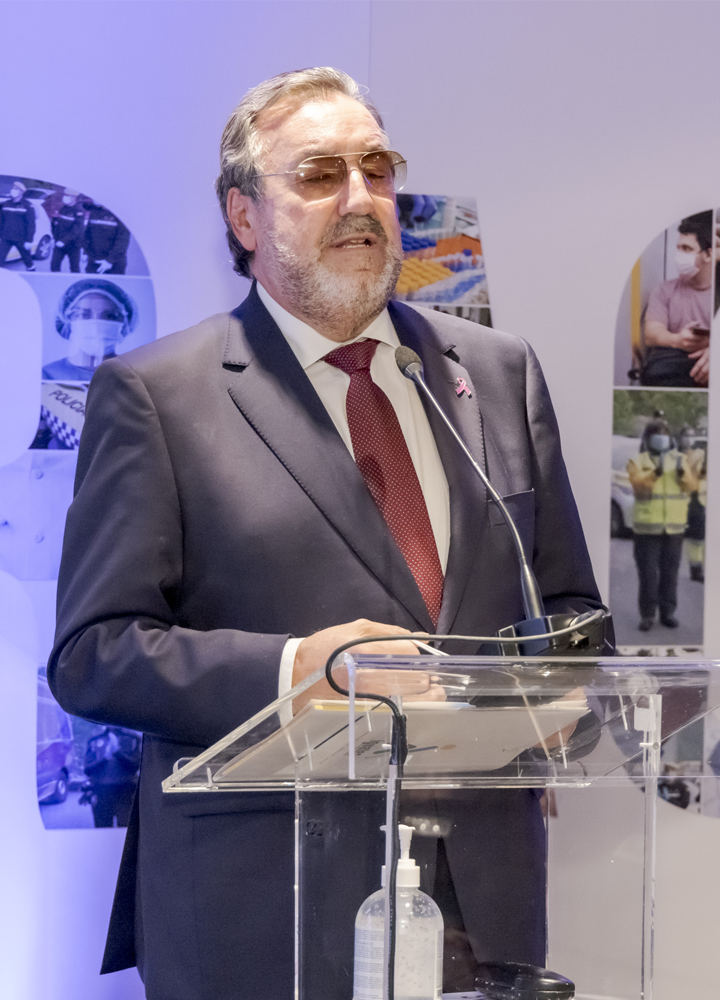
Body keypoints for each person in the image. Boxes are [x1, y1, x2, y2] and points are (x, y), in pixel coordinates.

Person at [48, 68, 609, 999]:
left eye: (377, 170)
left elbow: (569, 606)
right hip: (262, 907)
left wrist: (555, 701)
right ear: (244, 217)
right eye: (318, 175)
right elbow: (93, 654)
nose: (361, 199)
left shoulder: (495, 371)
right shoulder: (159, 396)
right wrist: (300, 668)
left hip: (483, 900)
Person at [627, 416, 698, 631]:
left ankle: (667, 613)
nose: (662, 438)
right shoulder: (637, 460)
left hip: (674, 529)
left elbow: (691, 486)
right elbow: (639, 485)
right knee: (648, 576)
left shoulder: (679, 459)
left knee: (670, 575)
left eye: (665, 434)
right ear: (649, 438)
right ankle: (647, 615)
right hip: (646, 529)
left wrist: (683, 473)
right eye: (657, 434)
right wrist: (656, 472)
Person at [641, 211, 713, 387]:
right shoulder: (664, 290)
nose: (679, 256)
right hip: (677, 371)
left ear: (708, 254)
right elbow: (651, 334)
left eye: (687, 249)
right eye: (678, 248)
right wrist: (677, 340)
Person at [42, 278, 137, 381]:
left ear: (124, 322)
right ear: (68, 320)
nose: (95, 324)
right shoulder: (49, 374)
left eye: (109, 315)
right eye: (84, 315)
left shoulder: (134, 374)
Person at [81, 726, 142, 827]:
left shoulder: (133, 739)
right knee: (102, 832)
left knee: (126, 831)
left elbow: (135, 767)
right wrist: (104, 759)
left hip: (126, 793)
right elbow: (88, 769)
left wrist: (117, 752)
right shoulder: (94, 740)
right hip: (101, 794)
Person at [679, 425, 707, 583]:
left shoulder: (699, 454)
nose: (689, 439)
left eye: (691, 435)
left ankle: (697, 569)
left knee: (697, 538)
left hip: (697, 500)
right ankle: (694, 568)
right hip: (682, 501)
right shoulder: (676, 455)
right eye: (686, 435)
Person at [82, 201, 131, 274]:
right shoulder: (94, 211)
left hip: (114, 264)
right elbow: (87, 235)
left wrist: (109, 261)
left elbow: (122, 241)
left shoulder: (122, 213)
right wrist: (85, 252)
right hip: (94, 262)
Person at [0, 180, 36, 271]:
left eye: (16, 189)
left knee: (27, 260)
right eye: (12, 188)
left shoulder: (27, 205)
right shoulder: (6, 204)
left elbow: (31, 224)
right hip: (6, 238)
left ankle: (32, 271)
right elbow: (1, 220)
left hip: (21, 239)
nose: (13, 190)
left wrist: (29, 240)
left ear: (21, 192)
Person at [50, 188, 86, 272]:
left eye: (68, 196)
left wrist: (63, 240)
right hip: (59, 243)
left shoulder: (79, 211)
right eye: (65, 195)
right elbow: (58, 225)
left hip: (73, 244)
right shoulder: (63, 208)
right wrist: (54, 221)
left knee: (74, 268)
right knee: (54, 265)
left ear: (74, 198)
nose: (65, 197)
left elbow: (76, 230)